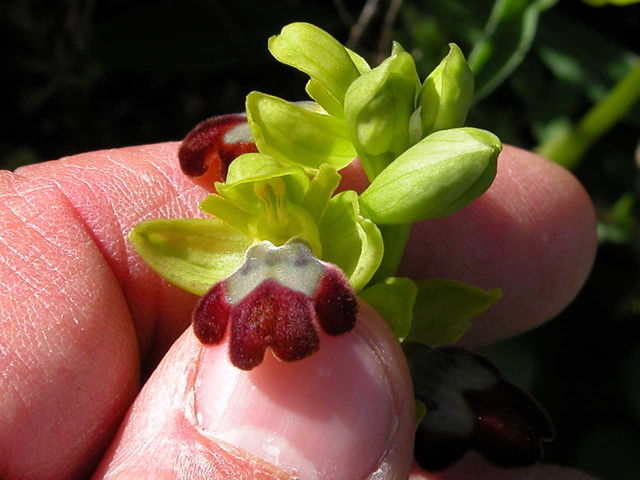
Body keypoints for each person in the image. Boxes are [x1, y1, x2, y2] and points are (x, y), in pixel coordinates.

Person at [0, 142, 598, 479]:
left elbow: (366, 240)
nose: (277, 211)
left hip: (393, 335)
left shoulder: (352, 232)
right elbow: (163, 242)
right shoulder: (322, 239)